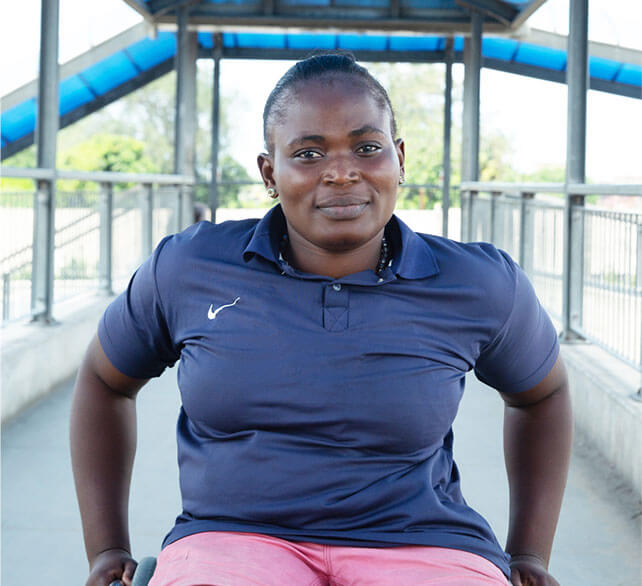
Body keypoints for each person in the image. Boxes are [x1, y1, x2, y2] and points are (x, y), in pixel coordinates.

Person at [70, 53, 572, 586]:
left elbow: (541, 394)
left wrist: (530, 554)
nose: (340, 171)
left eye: (368, 147)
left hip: (423, 543)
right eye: (308, 153)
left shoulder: (476, 282)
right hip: (231, 541)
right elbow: (106, 381)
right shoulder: (190, 266)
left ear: (399, 159)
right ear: (270, 172)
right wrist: (106, 547)